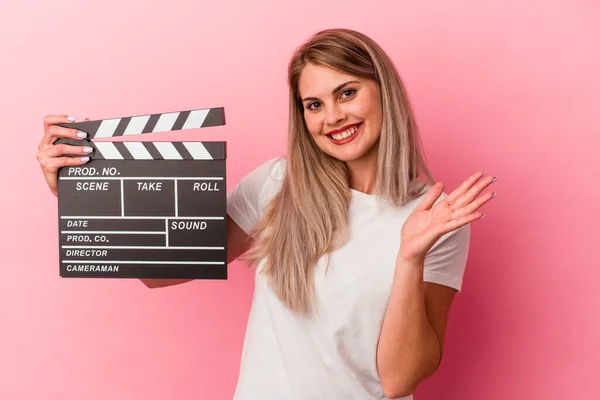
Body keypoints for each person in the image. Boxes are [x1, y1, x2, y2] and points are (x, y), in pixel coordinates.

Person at [36, 28, 496, 400]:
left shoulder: (436, 218)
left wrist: (410, 255)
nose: (332, 116)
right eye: (313, 104)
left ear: (383, 92)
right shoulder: (279, 183)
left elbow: (399, 381)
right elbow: (160, 273)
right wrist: (77, 193)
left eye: (347, 92)